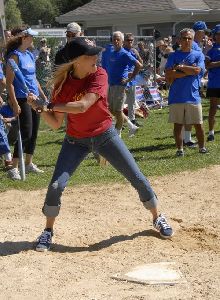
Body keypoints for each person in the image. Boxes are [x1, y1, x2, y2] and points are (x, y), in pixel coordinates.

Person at [27, 37, 173, 252]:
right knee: (56, 185)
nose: (96, 57)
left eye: (96, 53)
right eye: (90, 55)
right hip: (75, 141)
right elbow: (56, 123)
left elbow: (84, 105)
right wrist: (39, 109)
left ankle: (157, 216)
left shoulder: (99, 74)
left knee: (137, 177)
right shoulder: (61, 86)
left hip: (105, 135)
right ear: (76, 60)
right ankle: (47, 230)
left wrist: (48, 104)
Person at [5, 26, 47, 180]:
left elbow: (33, 78)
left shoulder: (29, 54)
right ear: (24, 38)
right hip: (22, 98)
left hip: (34, 97)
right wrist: (15, 103)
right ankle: (14, 168)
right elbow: (9, 83)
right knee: (26, 131)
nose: (33, 40)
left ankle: (28, 164)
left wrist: (42, 95)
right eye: (31, 37)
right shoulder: (14, 57)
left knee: (34, 132)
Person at [165, 28, 207, 157]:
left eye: (189, 38)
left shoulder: (199, 54)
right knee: (178, 125)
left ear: (193, 40)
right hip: (176, 96)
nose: (187, 40)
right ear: (179, 40)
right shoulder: (173, 55)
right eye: (184, 38)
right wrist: (189, 71)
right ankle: (180, 149)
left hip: (193, 96)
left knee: (198, 124)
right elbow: (168, 75)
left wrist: (180, 68)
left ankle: (202, 148)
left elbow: (198, 71)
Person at [102, 31, 142, 137]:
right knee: (111, 109)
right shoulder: (111, 52)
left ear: (122, 41)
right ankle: (131, 126)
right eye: (114, 39)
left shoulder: (125, 53)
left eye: (118, 39)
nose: (115, 41)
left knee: (118, 111)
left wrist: (129, 79)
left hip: (120, 86)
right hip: (111, 84)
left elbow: (138, 65)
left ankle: (117, 134)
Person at [183, 21, 208, 148]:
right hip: (189, 83)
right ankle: (186, 139)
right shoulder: (193, 45)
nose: (204, 35)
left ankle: (186, 138)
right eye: (203, 32)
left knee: (189, 112)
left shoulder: (197, 45)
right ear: (198, 32)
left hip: (193, 82)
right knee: (190, 112)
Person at [123, 33, 143, 127]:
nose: (130, 42)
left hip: (132, 79)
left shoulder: (134, 51)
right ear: (124, 41)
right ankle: (119, 122)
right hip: (122, 79)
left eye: (131, 40)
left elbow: (141, 62)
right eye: (128, 40)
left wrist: (137, 56)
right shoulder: (121, 51)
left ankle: (132, 119)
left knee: (132, 101)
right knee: (120, 102)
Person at [206, 24, 220, 142]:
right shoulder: (211, 51)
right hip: (214, 83)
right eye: (218, 34)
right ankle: (211, 132)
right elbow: (207, 65)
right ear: (215, 36)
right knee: (212, 108)